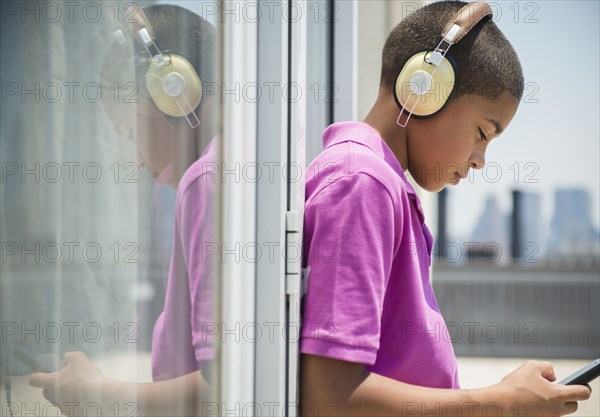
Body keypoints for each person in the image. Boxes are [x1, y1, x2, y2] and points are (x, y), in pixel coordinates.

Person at [299, 1, 591, 416]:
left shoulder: (380, 183)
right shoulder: (362, 182)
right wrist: (500, 403)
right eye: (481, 132)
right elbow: (328, 398)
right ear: (422, 88)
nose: (479, 160)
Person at [28, 4, 218, 416]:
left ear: (176, 95)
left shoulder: (209, 179)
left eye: (131, 132)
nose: (134, 159)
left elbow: (218, 386)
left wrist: (100, 395)